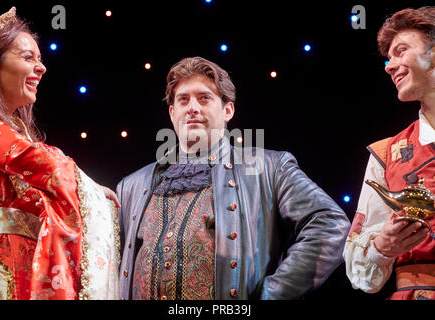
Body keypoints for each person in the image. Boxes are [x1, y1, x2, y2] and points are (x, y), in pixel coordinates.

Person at [117, 56, 350, 300]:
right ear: (173, 113)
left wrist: (273, 295)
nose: (192, 107)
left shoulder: (268, 167)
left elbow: (329, 222)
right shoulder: (131, 185)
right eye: (183, 99)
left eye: (204, 98)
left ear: (228, 110)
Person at [0, 7, 120, 300]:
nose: (41, 67)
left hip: (21, 270)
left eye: (41, 59)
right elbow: (36, 160)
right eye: (28, 57)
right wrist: (89, 188)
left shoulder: (18, 131)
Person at [344, 7, 435, 300]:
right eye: (388, 57)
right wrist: (382, 246)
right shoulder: (386, 154)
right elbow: (360, 273)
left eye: (401, 50)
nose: (388, 65)